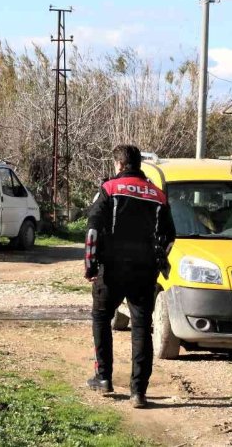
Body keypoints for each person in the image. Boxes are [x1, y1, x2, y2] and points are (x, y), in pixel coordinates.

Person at [84, 144, 175, 409]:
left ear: (120, 165)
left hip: (110, 270)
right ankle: (139, 392)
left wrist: (90, 268)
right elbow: (169, 236)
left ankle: (104, 377)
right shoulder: (157, 195)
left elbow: (92, 233)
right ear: (138, 165)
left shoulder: (109, 189)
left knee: (101, 317)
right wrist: (158, 259)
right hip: (144, 272)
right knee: (141, 327)